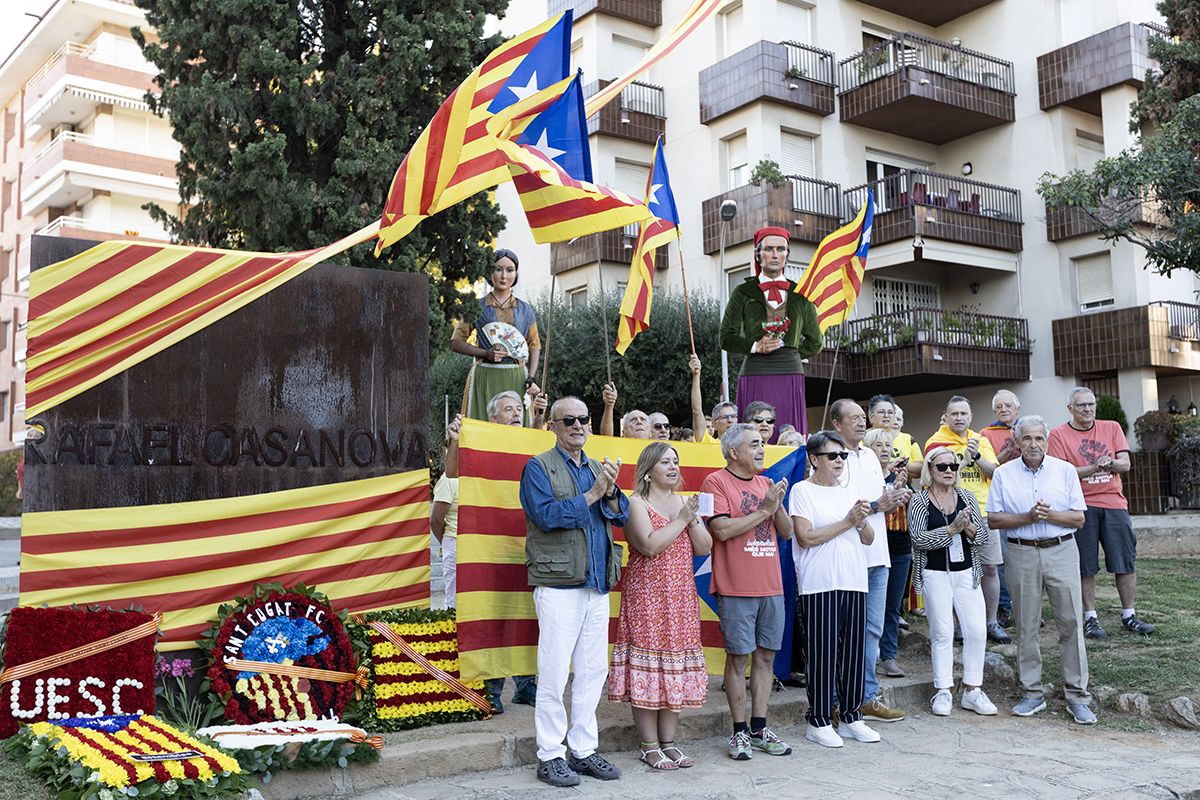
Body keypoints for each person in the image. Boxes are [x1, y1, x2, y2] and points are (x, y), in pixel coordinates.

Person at [519, 396, 630, 786]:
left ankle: (583, 750)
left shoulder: (597, 468)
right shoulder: (538, 467)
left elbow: (621, 515)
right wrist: (596, 494)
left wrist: (613, 493)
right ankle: (550, 754)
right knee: (553, 673)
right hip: (558, 585)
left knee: (592, 671)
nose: (579, 425)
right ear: (553, 426)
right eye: (570, 420)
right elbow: (546, 516)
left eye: (584, 419)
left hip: (597, 583)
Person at [609, 442, 712, 770]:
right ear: (648, 471)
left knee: (673, 673)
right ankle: (649, 745)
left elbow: (705, 547)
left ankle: (669, 743)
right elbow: (649, 545)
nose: (673, 467)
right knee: (648, 671)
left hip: (680, 600)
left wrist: (691, 518)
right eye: (665, 462)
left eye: (675, 461)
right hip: (647, 600)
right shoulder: (635, 502)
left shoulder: (684, 503)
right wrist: (682, 520)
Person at [987, 415, 1095, 725]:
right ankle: (1032, 693)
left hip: (1061, 549)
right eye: (1027, 439)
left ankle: (1077, 696)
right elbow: (994, 519)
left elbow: (1078, 518)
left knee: (1072, 621)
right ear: (1017, 442)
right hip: (1021, 552)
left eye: (1039, 439)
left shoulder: (1064, 471)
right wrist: (1027, 517)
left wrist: (1050, 515)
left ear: (1046, 442)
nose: (1033, 444)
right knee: (1026, 624)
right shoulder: (1003, 474)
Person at [440, 395, 541, 712]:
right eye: (508, 409)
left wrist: (537, 419)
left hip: (526, 545)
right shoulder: (481, 444)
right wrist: (457, 441)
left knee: (526, 615)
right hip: (489, 548)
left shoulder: (531, 444)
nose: (515, 414)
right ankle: (492, 689)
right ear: (493, 418)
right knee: (492, 617)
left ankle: (526, 686)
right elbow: (453, 473)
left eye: (518, 409)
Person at [699, 423, 793, 761]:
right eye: (754, 444)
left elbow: (786, 531)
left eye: (762, 443)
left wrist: (776, 503)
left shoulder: (767, 483)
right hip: (735, 586)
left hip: (771, 586)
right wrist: (764, 509)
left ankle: (759, 727)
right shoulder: (715, 482)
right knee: (738, 659)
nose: (761, 448)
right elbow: (721, 531)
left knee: (766, 658)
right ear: (733, 452)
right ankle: (738, 732)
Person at [789, 430, 879, 748]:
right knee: (823, 652)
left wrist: (860, 521)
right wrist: (847, 521)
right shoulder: (802, 491)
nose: (840, 461)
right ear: (814, 459)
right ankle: (820, 719)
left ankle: (851, 716)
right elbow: (805, 537)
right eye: (833, 456)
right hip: (819, 583)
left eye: (843, 456)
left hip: (854, 579)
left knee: (854, 650)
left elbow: (867, 538)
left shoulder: (848, 489)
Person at [1048, 388, 1155, 637]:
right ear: (1070, 408)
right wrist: (1096, 466)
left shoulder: (1112, 427)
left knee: (1125, 561)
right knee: (1086, 565)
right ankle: (1090, 618)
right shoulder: (1058, 435)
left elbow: (1125, 464)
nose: (1087, 409)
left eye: (1091, 404)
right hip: (1079, 505)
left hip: (1114, 503)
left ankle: (1129, 615)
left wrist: (1111, 464)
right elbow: (1063, 473)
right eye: (1081, 405)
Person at [830, 399, 910, 723]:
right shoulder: (831, 457)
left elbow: (878, 505)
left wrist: (893, 500)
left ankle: (866, 696)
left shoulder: (872, 459)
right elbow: (844, 507)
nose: (862, 424)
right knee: (843, 632)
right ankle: (836, 699)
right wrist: (881, 503)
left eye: (864, 418)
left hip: (878, 555)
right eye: (854, 419)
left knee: (873, 630)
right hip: (846, 555)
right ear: (837, 424)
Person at [908, 446, 998, 717]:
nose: (949, 471)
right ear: (930, 470)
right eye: (942, 467)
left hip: (966, 573)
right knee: (942, 632)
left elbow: (981, 537)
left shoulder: (966, 497)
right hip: (934, 574)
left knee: (976, 631)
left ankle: (973, 689)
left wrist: (967, 527)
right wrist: (950, 530)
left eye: (953, 467)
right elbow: (918, 538)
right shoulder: (920, 501)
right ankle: (943, 689)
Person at [719, 226, 822, 436]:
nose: (775, 254)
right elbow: (725, 338)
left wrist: (789, 352)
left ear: (787, 255)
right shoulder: (743, 292)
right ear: (758, 255)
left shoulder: (801, 294)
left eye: (781, 249)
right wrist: (756, 346)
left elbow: (815, 342)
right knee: (751, 434)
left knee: (789, 434)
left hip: (789, 375)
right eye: (769, 249)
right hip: (755, 372)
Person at [924, 396, 1010, 645]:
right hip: (949, 514)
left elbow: (995, 473)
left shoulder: (980, 439)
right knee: (953, 570)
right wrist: (962, 460)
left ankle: (991, 621)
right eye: (955, 414)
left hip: (982, 512)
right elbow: (937, 477)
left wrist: (975, 457)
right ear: (946, 417)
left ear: (970, 417)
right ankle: (958, 624)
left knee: (990, 568)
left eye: (964, 413)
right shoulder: (936, 442)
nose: (959, 418)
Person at [450, 249, 541, 424]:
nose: (504, 275)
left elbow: (534, 345)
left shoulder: (526, 309)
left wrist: (531, 376)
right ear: (489, 272)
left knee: (517, 426)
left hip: (517, 377)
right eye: (498, 269)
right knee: (483, 425)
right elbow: (455, 343)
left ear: (516, 273)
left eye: (510, 270)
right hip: (485, 376)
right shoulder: (476, 307)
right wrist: (486, 353)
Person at [864, 427, 910, 679]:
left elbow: (904, 513)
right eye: (878, 445)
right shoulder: (864, 478)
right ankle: (865, 658)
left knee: (892, 606)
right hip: (871, 547)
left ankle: (888, 656)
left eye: (887, 445)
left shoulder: (899, 476)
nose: (884, 450)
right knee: (868, 608)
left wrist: (904, 496)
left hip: (899, 546)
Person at [868, 394, 921, 479]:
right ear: (871, 417)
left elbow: (920, 470)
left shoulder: (908, 439)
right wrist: (890, 467)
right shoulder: (861, 440)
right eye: (881, 412)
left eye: (890, 412)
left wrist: (901, 466)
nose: (886, 415)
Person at [981, 389, 1023, 465]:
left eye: (1008, 406)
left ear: (1017, 409)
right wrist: (1008, 450)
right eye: (998, 407)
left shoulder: (1026, 429)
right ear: (995, 412)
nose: (1003, 410)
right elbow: (987, 466)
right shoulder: (986, 434)